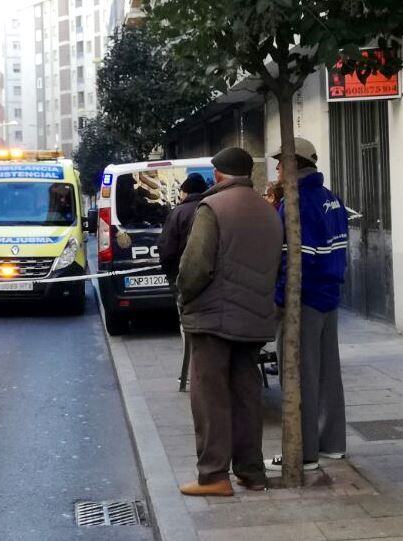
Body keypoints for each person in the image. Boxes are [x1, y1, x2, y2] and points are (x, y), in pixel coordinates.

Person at [176, 147, 283, 497]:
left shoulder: (213, 207)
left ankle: (213, 476)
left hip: (214, 319)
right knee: (246, 396)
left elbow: (195, 266)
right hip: (253, 319)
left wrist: (184, 298)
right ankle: (252, 472)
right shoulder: (268, 211)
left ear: (218, 174)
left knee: (210, 398)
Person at [267, 137, 349, 472]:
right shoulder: (332, 199)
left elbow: (294, 260)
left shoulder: (295, 203)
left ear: (293, 164)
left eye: (280, 162)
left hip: (304, 300)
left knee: (298, 376)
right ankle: (332, 444)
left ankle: (303, 453)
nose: (277, 168)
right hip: (329, 297)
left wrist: (280, 299)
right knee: (328, 374)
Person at [157, 173, 208, 392]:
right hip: (209, 278)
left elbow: (167, 248)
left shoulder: (178, 213)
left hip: (183, 278)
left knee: (187, 325)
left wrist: (170, 274)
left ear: (185, 192)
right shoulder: (211, 208)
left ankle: (192, 373)